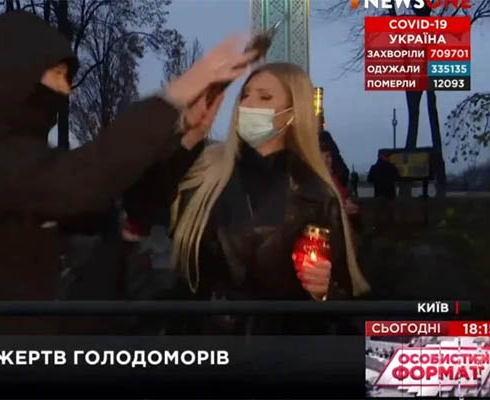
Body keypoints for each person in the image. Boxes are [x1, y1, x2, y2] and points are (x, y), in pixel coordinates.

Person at [0, 11, 255, 335]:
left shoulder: (31, 158)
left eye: (68, 78)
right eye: (57, 74)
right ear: (16, 72)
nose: (66, 90)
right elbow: (77, 183)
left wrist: (186, 136)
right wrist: (176, 95)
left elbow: (120, 198)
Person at [125, 63, 371, 334]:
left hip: (282, 346)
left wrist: (324, 289)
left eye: (265, 97)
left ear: (292, 114)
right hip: (206, 342)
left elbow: (345, 296)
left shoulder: (315, 193)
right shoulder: (205, 169)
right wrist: (186, 141)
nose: (248, 104)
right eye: (245, 95)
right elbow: (140, 206)